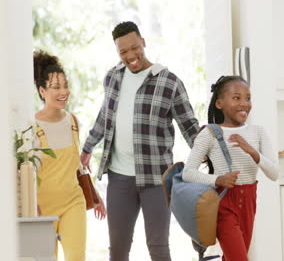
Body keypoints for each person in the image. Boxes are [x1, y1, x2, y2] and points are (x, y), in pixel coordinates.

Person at [80, 21, 200, 261]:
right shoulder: (113, 77)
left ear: (143, 42)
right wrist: (87, 147)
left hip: (156, 178)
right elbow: (106, 116)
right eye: (123, 51)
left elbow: (189, 126)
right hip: (119, 177)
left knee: (158, 247)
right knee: (118, 249)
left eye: (134, 48)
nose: (130, 56)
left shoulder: (169, 82)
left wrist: (209, 153)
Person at [182, 75, 279, 261]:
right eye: (236, 98)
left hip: (249, 201)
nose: (244, 103)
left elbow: (274, 173)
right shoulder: (209, 133)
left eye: (248, 98)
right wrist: (218, 180)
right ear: (219, 103)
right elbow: (188, 173)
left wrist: (252, 152)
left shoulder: (258, 132)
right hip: (224, 203)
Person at [32, 50, 106, 261]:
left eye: (65, 86)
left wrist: (94, 194)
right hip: (43, 207)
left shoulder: (72, 121)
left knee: (76, 257)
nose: (63, 92)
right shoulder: (32, 127)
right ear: (42, 90)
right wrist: (31, 207)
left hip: (73, 201)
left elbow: (77, 166)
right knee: (47, 258)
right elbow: (28, 173)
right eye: (56, 87)